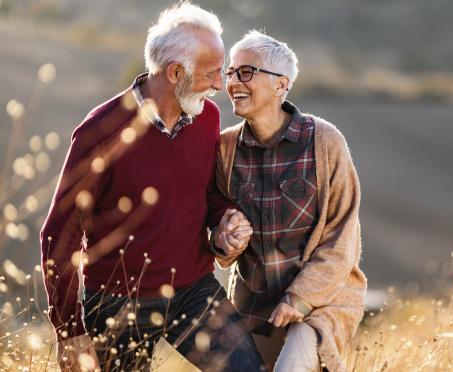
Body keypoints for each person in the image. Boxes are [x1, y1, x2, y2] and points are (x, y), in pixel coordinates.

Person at [40, 3, 263, 371]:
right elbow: (58, 236)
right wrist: (70, 332)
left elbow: (205, 191)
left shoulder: (206, 115)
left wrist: (225, 217)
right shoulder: (101, 131)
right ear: (175, 72)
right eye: (211, 74)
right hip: (117, 302)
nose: (220, 85)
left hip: (194, 290)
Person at [213, 30, 367, 371]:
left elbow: (343, 238)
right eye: (230, 72)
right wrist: (224, 241)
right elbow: (217, 229)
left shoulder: (324, 141)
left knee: (295, 359)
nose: (234, 81)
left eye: (246, 72)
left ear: (281, 86)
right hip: (254, 306)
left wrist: (300, 297)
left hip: (321, 300)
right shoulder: (224, 149)